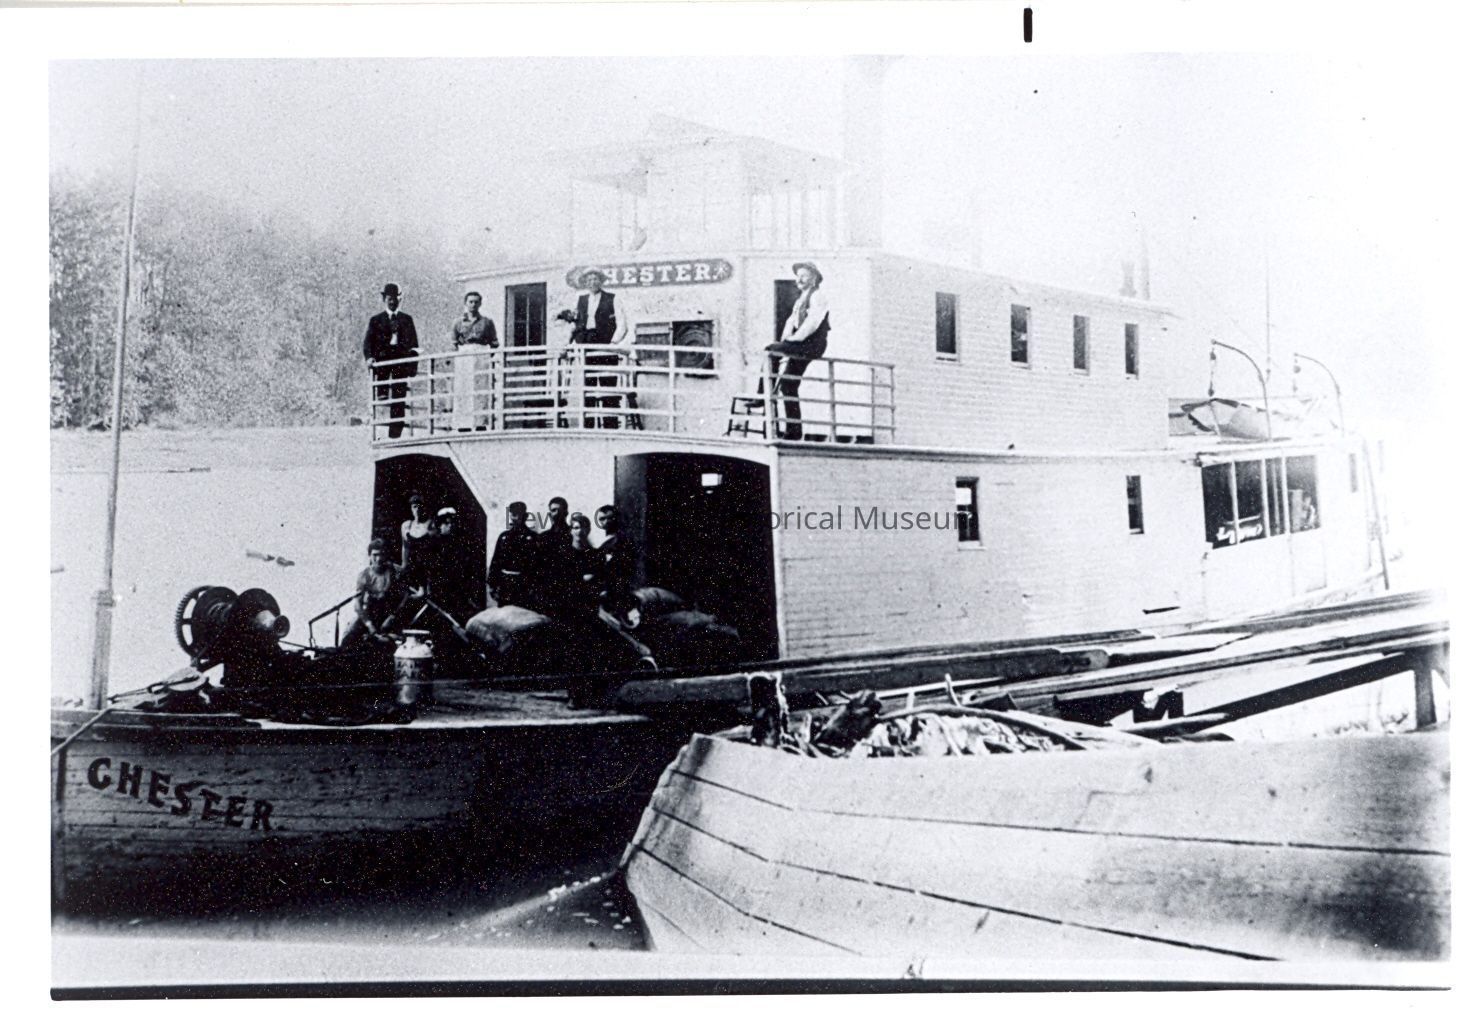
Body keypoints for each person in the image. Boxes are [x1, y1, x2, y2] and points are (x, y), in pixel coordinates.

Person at [765, 261, 830, 440]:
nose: (799, 280)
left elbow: (812, 322)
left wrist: (793, 340)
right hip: (802, 344)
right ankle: (794, 432)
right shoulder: (801, 299)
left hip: (812, 344)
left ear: (814, 278)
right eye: (798, 276)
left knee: (771, 350)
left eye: (804, 276)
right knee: (788, 384)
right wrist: (785, 341)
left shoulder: (818, 296)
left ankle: (762, 394)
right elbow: (791, 321)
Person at [567, 269, 630, 428]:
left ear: (601, 281)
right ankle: (588, 425)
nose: (592, 282)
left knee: (608, 386)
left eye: (595, 279)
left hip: (605, 346)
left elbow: (622, 324)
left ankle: (610, 426)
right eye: (589, 280)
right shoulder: (580, 300)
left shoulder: (612, 298)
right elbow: (575, 324)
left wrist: (613, 344)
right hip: (586, 345)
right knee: (588, 387)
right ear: (585, 283)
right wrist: (570, 343)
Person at [362, 283, 421, 439]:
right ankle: (381, 391)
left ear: (399, 300)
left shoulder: (406, 319)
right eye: (389, 299)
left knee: (398, 399)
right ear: (384, 299)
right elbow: (367, 343)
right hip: (383, 362)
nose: (393, 302)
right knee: (381, 398)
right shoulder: (376, 320)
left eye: (395, 299)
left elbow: (414, 345)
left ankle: (394, 435)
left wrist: (412, 366)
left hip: (400, 362)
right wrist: (369, 358)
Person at [342, 538, 407, 647]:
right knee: (348, 638)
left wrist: (392, 617)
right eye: (375, 555)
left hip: (390, 614)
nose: (378, 559)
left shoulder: (395, 571)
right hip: (370, 615)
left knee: (397, 643)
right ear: (369, 556)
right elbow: (358, 604)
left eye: (382, 555)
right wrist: (369, 624)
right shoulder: (364, 575)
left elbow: (404, 597)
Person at [451, 291, 498, 431]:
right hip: (464, 356)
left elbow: (494, 343)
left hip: (481, 356)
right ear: (465, 303)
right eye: (470, 302)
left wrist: (487, 356)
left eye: (476, 302)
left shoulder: (487, 322)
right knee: (463, 389)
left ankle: (480, 423)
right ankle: (463, 424)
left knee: (480, 390)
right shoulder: (458, 322)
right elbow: (453, 343)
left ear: (480, 304)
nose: (473, 305)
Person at [487, 501, 539, 609]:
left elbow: (537, 565)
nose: (515, 518)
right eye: (513, 514)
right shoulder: (504, 537)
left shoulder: (533, 538)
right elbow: (496, 561)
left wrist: (533, 588)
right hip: (505, 586)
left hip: (524, 586)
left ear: (525, 516)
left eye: (518, 514)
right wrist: (492, 585)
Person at [592, 504, 636, 598]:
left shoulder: (622, 541)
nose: (606, 522)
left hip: (615, 588)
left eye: (610, 518)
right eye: (602, 519)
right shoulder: (600, 540)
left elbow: (621, 568)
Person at [399, 493, 436, 590]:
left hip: (426, 566)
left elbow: (432, 549)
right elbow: (405, 546)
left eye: (420, 506)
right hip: (412, 565)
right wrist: (404, 564)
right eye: (415, 507)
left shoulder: (430, 524)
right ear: (411, 509)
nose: (417, 509)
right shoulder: (406, 525)